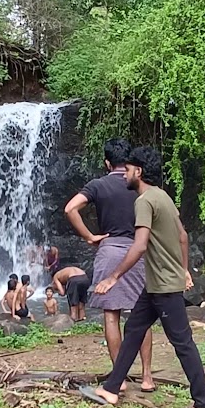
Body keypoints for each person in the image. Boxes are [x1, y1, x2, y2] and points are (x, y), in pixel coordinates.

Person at [83, 147, 205, 408]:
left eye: (128, 170)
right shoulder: (162, 196)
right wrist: (184, 268)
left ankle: (203, 404)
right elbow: (182, 236)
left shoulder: (143, 202)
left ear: (138, 172)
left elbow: (139, 245)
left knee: (183, 342)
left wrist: (113, 277)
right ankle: (110, 389)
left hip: (163, 286)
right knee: (133, 330)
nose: (124, 175)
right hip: (155, 283)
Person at [65, 138, 155, 393]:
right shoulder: (138, 184)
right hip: (138, 252)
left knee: (111, 316)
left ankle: (120, 378)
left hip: (110, 250)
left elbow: (70, 208)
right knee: (142, 315)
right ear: (129, 162)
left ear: (107, 162)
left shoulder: (98, 185)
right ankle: (147, 377)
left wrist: (89, 236)